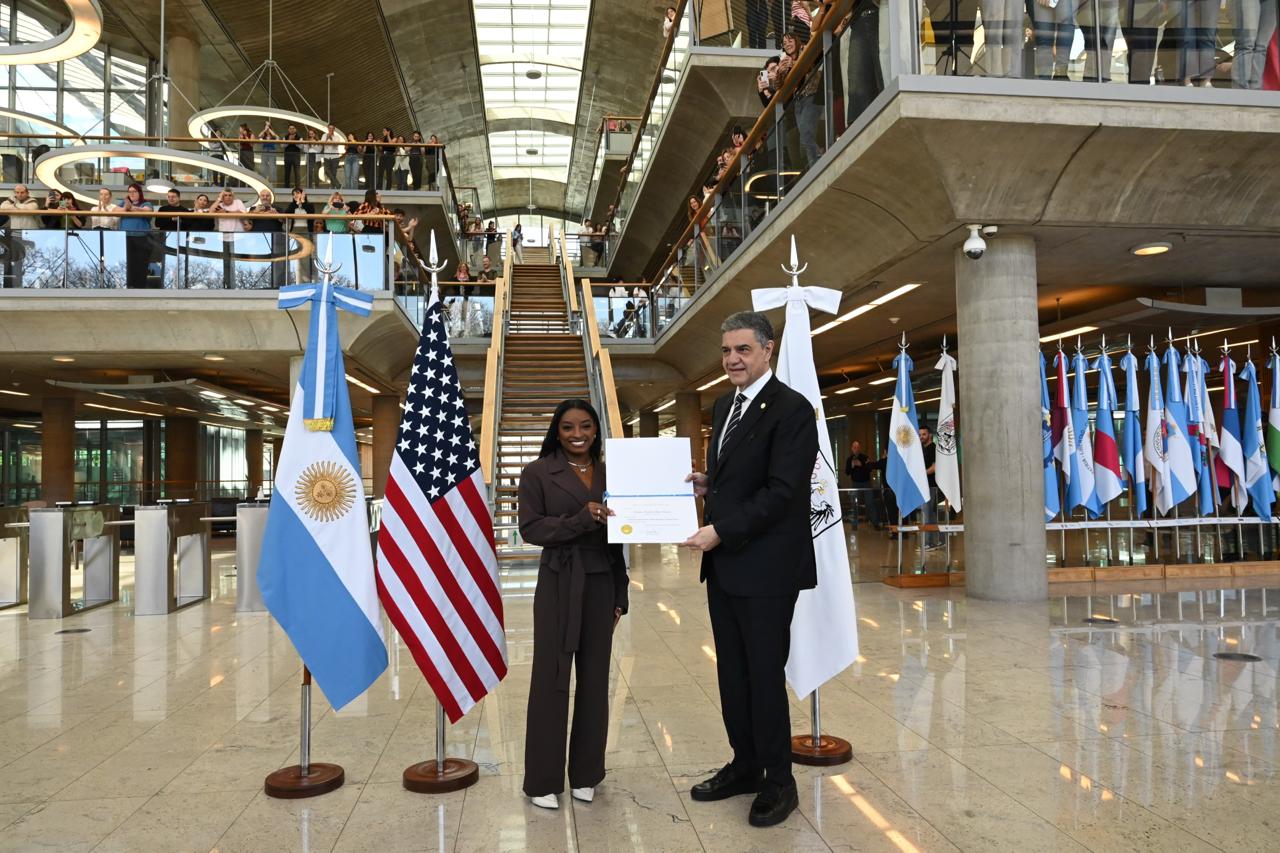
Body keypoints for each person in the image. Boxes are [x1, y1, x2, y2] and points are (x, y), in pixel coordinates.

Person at [682, 311, 817, 828]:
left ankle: (779, 782)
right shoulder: (723, 403)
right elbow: (739, 478)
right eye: (726, 351)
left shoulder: (792, 409)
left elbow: (783, 492)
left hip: (766, 570)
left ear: (768, 350)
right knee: (732, 675)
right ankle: (745, 764)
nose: (732, 359)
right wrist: (706, 486)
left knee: (763, 676)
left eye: (743, 349)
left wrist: (719, 529)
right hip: (725, 569)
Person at [518, 398, 628, 810]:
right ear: (556, 430)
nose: (577, 435)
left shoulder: (611, 472)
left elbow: (619, 539)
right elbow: (530, 528)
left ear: (596, 430)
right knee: (551, 679)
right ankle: (542, 780)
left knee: (596, 681)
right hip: (559, 581)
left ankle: (587, 773)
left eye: (585, 426)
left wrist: (622, 593)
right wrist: (583, 519)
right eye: (568, 427)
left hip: (602, 582)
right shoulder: (536, 473)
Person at [119, 182, 155, 288]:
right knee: (128, 264)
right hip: (126, 238)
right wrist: (126, 208)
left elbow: (147, 211)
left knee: (141, 264)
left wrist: (131, 208)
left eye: (134, 191)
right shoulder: (123, 204)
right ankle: (129, 286)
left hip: (142, 238)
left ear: (139, 192)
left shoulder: (146, 203)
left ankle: (140, 287)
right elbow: (115, 210)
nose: (132, 193)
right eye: (130, 192)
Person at [843, 439, 880, 529]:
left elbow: (870, 468)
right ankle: (854, 524)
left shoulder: (864, 457)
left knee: (870, 503)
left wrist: (861, 465)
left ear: (859, 448)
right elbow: (847, 472)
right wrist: (851, 466)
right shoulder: (849, 459)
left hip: (866, 483)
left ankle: (875, 523)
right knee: (854, 504)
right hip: (855, 484)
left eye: (857, 447)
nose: (856, 449)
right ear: (852, 449)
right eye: (854, 447)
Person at [918, 425, 939, 547]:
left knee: (926, 514)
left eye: (924, 434)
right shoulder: (923, 449)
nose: (921, 437)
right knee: (930, 514)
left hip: (930, 486)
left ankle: (928, 543)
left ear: (930, 435)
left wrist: (921, 474)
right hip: (925, 486)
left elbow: (934, 468)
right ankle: (940, 540)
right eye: (920, 435)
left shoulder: (932, 448)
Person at [322, 124, 343, 190]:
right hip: (326, 156)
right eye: (329, 128)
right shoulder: (324, 135)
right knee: (326, 171)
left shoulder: (337, 137)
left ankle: (332, 187)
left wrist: (331, 138)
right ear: (328, 129)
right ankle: (338, 184)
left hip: (335, 157)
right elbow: (322, 144)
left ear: (334, 129)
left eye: (332, 128)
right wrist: (327, 138)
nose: (330, 129)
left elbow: (336, 145)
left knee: (333, 173)